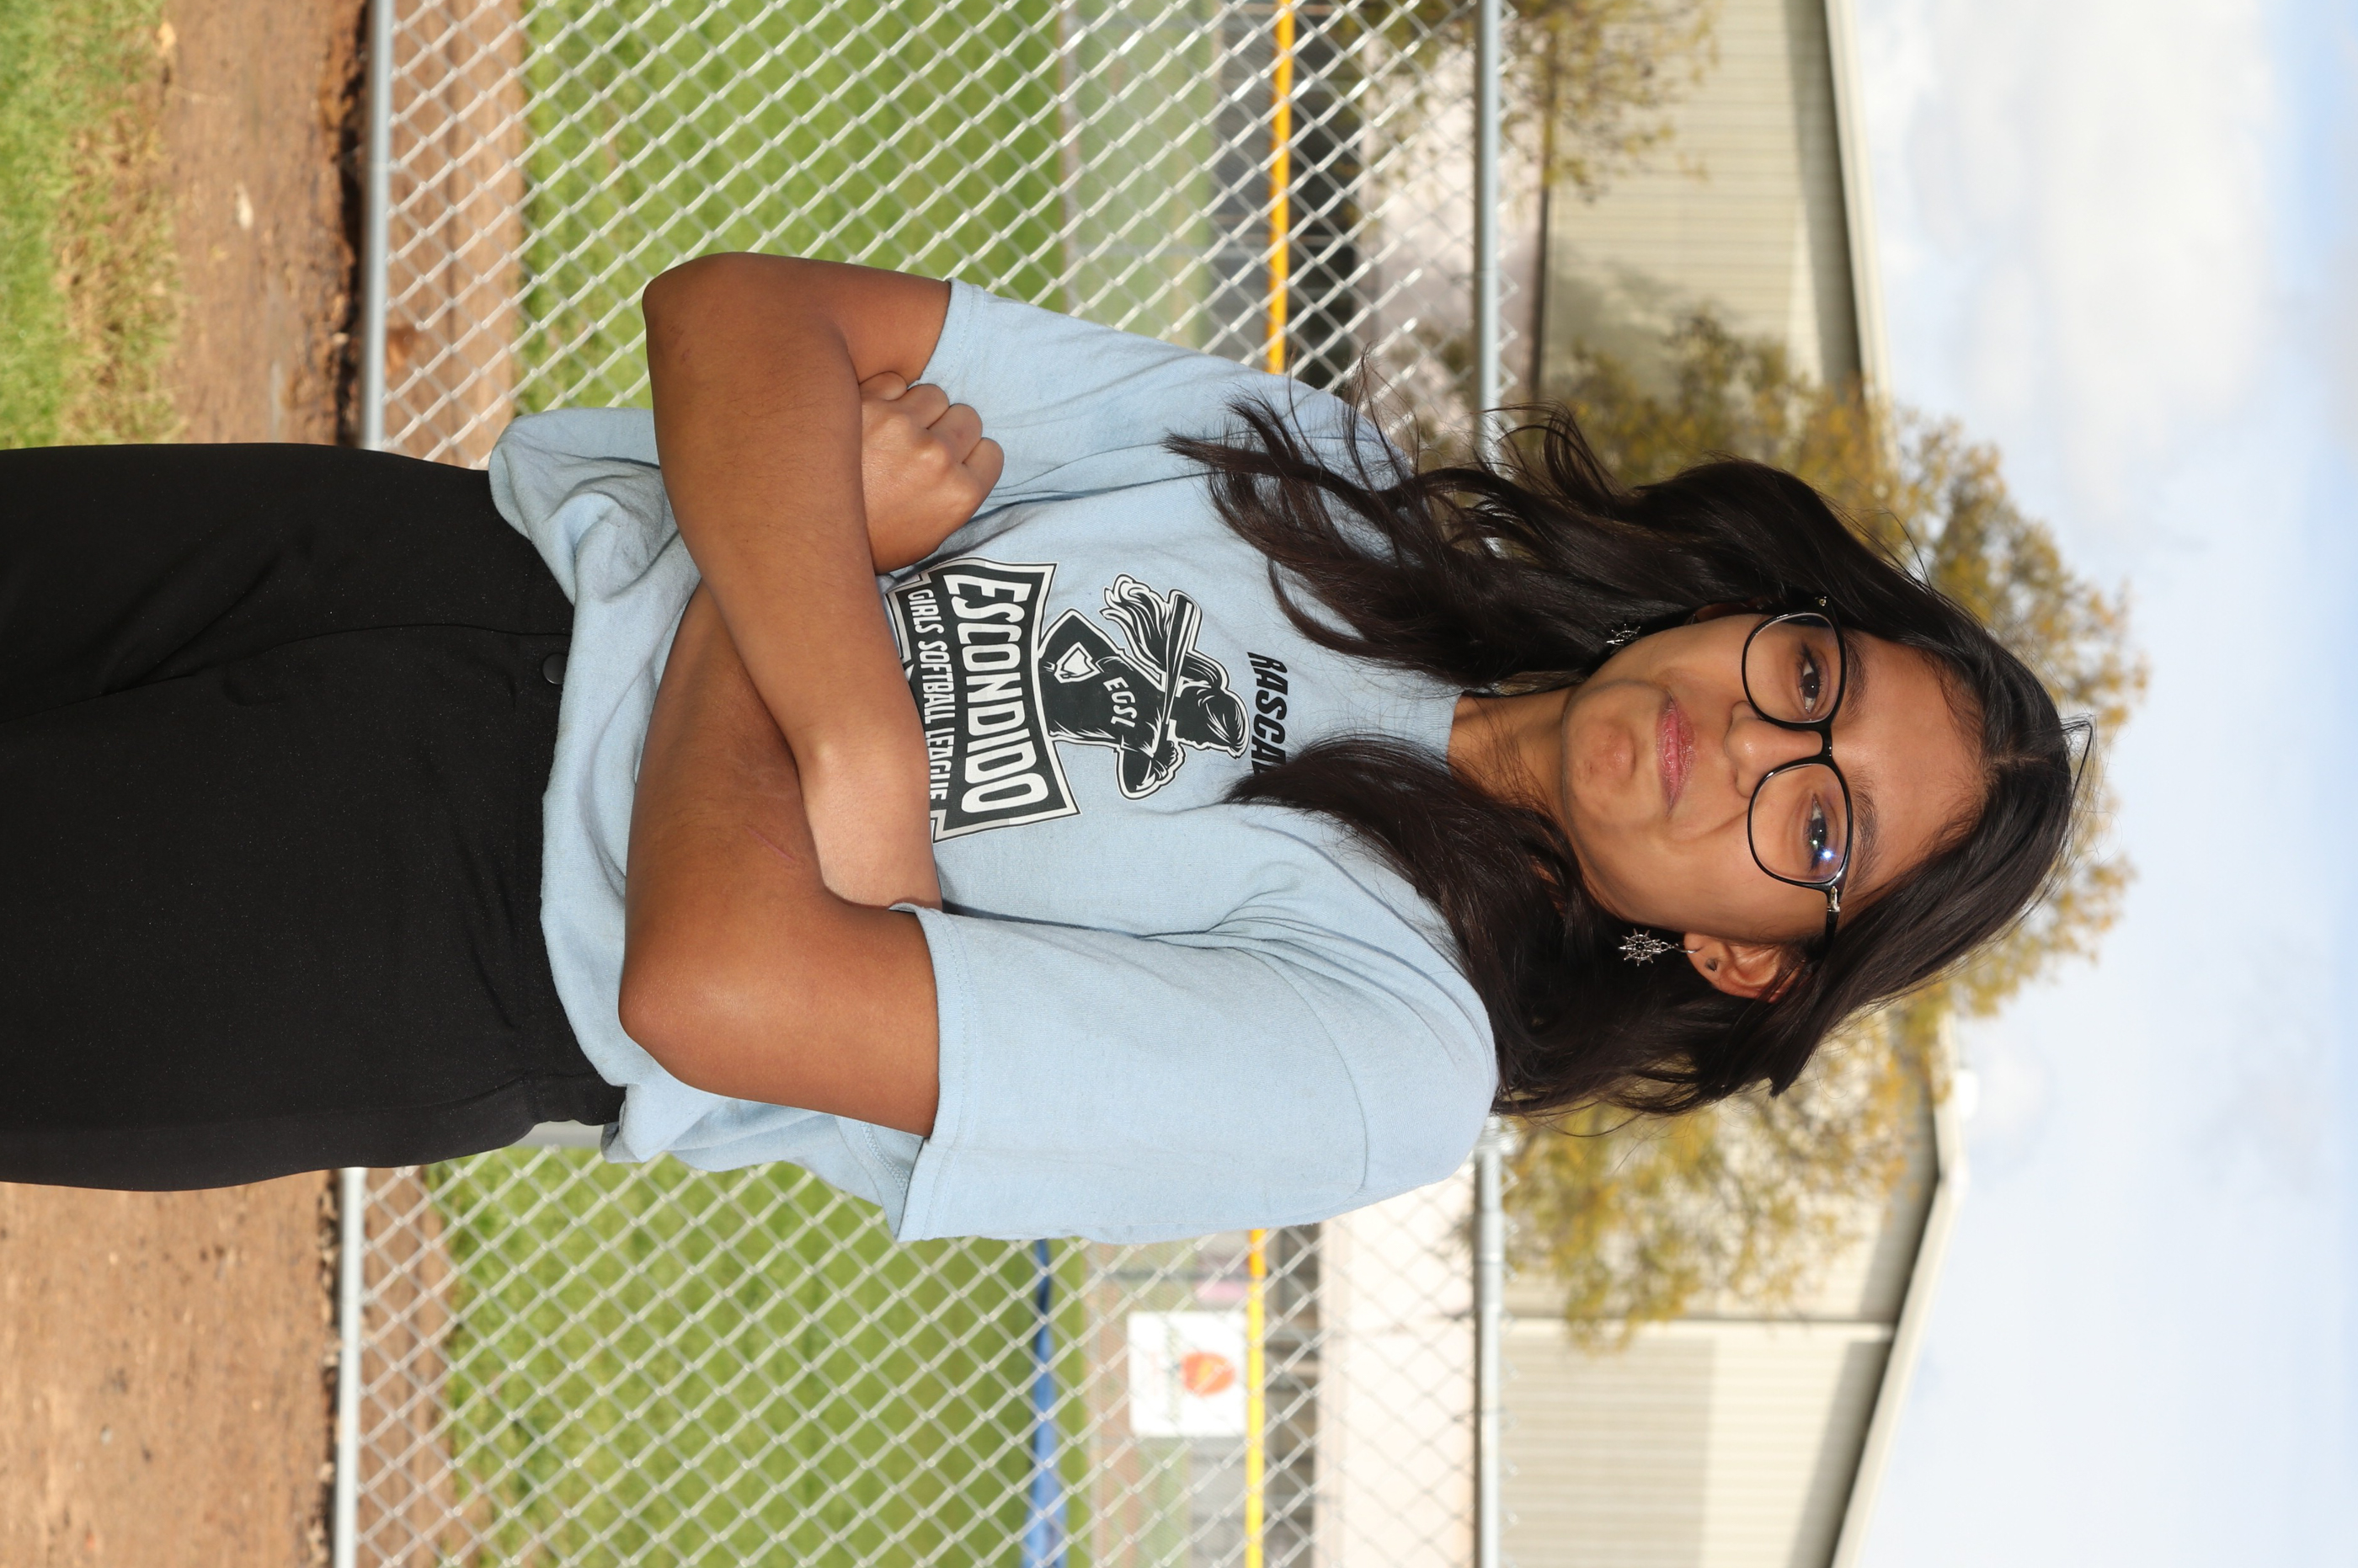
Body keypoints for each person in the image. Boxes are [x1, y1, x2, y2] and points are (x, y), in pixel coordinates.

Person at [0, 255, 2075, 1243]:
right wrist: (848, 731)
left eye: (1816, 829)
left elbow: (715, 982)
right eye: (1807, 674)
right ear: (1753, 606)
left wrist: (785, 578)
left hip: (432, 928)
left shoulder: (1379, 1056)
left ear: (1746, 957)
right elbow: (739, 322)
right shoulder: (1329, 487)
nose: (1747, 745)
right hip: (424, 563)